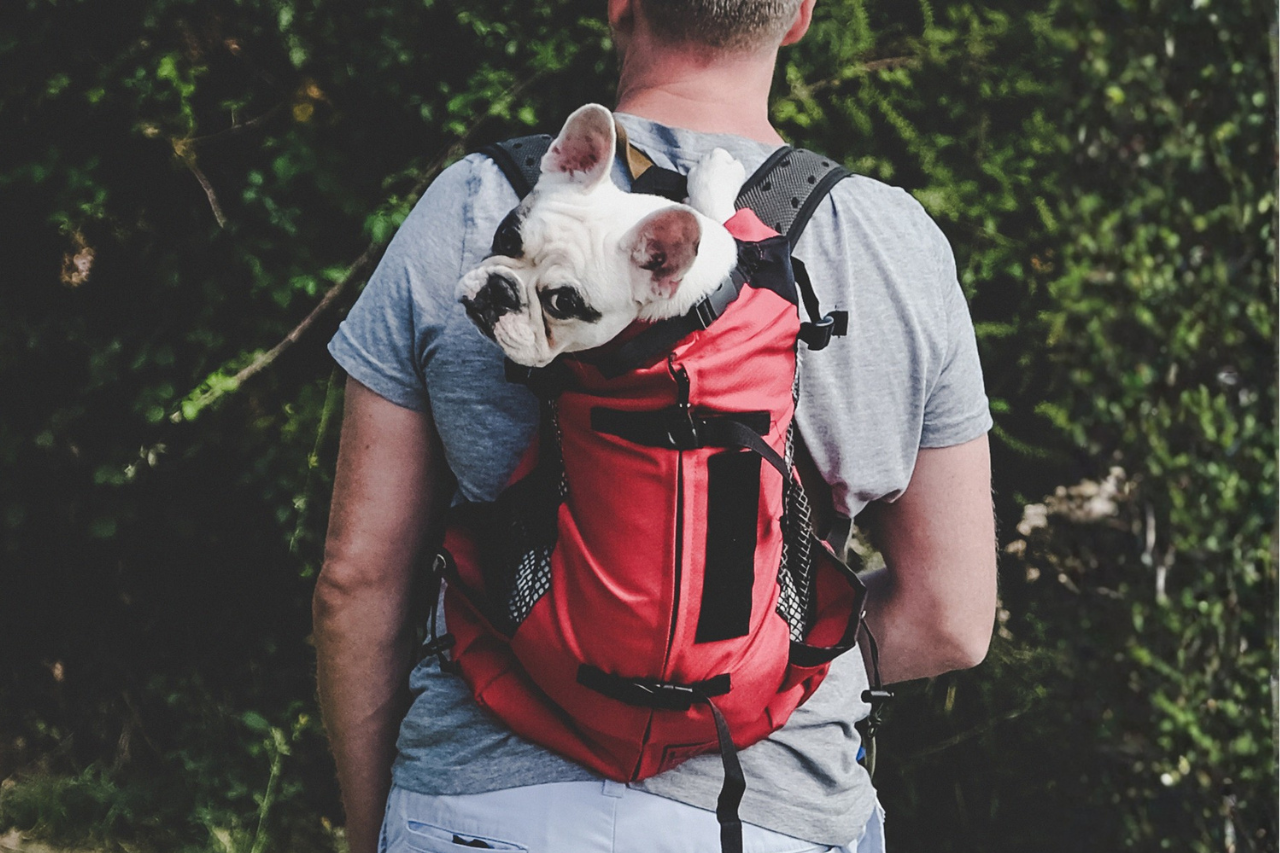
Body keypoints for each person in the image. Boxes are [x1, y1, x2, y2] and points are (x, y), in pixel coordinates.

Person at [313, 1, 998, 851]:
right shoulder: (894, 242)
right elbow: (953, 617)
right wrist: (758, 670)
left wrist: (379, 821)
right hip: (769, 815)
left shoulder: (475, 200)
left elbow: (357, 579)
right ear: (799, 17)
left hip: (481, 802)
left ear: (618, 4)